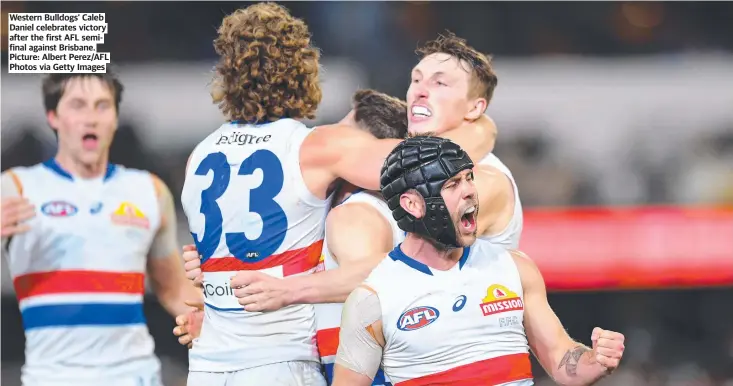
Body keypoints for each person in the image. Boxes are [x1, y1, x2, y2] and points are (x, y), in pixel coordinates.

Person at [178, 4, 496, 385]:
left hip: (207, 362)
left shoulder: (199, 155)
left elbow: (209, 264)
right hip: (280, 360)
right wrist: (483, 128)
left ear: (225, 75)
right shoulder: (317, 148)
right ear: (304, 71)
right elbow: (430, 164)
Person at [197, 31, 516, 315]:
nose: (420, 90)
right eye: (416, 79)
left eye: (439, 82)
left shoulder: (486, 180)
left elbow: (408, 268)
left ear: (475, 108)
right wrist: (222, 265)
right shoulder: (376, 189)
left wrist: (287, 289)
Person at [332, 136, 626, 386]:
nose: (471, 190)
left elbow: (562, 360)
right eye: (452, 184)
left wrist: (595, 360)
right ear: (413, 204)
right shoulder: (372, 301)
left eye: (469, 178)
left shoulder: (513, 267)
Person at [0, 72, 200, 386]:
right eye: (78, 106)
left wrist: (215, 320)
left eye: (102, 106)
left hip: (135, 376)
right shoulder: (16, 187)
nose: (91, 118)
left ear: (116, 118)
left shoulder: (149, 191)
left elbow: (174, 289)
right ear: (53, 116)